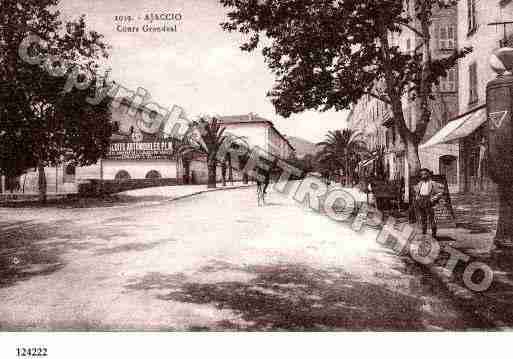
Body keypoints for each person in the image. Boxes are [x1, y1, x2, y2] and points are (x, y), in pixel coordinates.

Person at [413, 168, 443, 238]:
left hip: (429, 201)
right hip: (421, 201)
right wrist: (417, 197)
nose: (423, 176)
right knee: (423, 218)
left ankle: (434, 235)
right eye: (422, 174)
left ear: (428, 174)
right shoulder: (420, 183)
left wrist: (433, 199)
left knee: (431, 218)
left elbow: (440, 192)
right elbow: (417, 192)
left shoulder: (433, 183)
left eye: (425, 174)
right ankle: (424, 234)